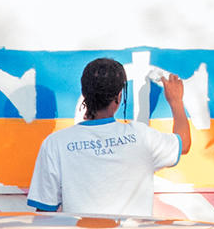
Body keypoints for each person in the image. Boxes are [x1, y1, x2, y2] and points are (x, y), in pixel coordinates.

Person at [27, 57, 192, 219]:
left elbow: (44, 212)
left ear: (84, 93)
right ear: (119, 97)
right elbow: (183, 143)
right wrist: (176, 101)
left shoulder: (55, 143)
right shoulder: (142, 137)